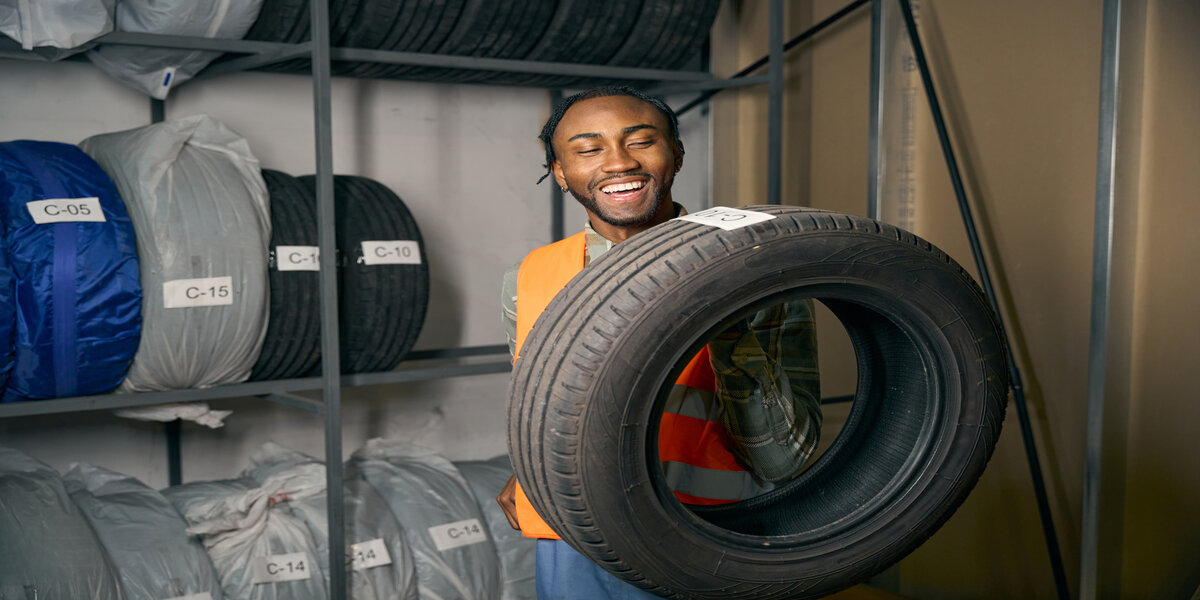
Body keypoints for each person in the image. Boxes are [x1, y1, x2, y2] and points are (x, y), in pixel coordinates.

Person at [497, 86, 822, 599]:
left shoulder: (759, 267)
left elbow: (785, 461)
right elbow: (537, 404)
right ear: (561, 173)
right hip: (573, 540)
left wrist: (728, 311)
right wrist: (529, 472)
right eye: (587, 149)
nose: (618, 162)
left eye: (641, 141)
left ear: (676, 154)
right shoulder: (531, 275)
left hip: (711, 538)